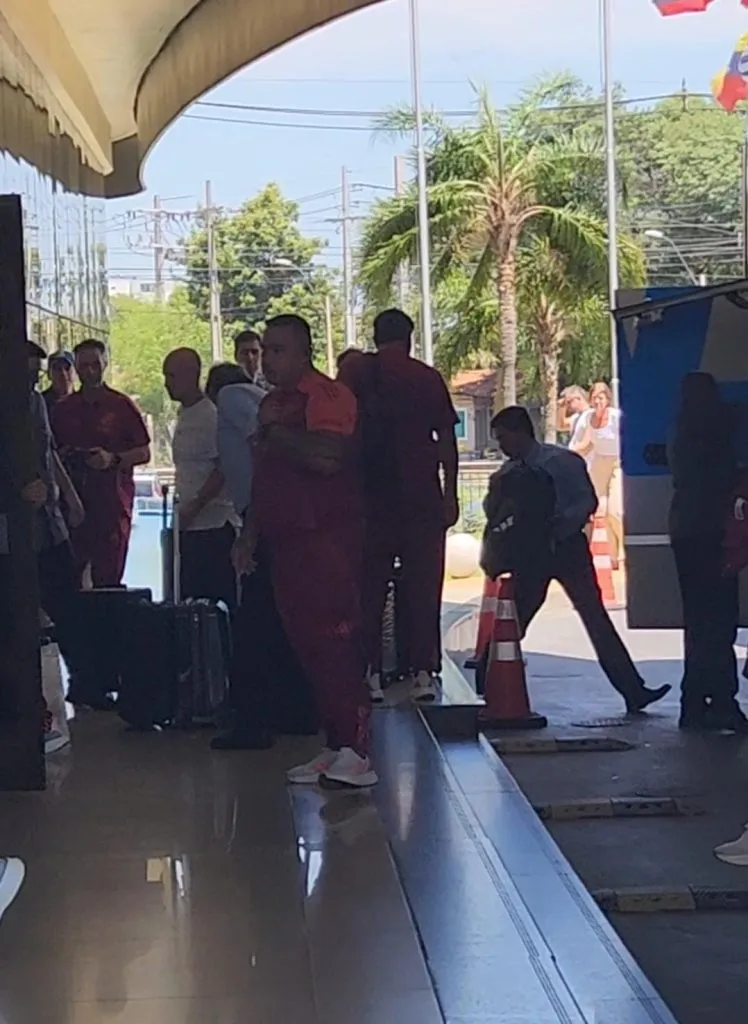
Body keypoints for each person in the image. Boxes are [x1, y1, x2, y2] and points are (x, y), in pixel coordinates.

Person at [233, 314, 374, 787]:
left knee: (335, 639)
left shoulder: (328, 396)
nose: (267, 360)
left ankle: (357, 749)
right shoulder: (272, 403)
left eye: (278, 350)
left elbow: (329, 457)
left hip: (327, 537)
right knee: (306, 644)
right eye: (265, 350)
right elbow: (264, 477)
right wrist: (249, 536)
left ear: (303, 352)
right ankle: (335, 743)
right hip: (284, 537)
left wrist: (278, 436)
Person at [489, 406, 670, 714]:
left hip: (566, 547)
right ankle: (486, 680)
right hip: (535, 552)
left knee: (593, 618)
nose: (501, 446)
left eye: (503, 438)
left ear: (520, 433)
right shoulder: (508, 473)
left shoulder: (562, 462)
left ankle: (633, 690)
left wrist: (558, 526)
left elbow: (587, 501)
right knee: (516, 619)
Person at [338, 308, 459, 704]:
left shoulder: (356, 373)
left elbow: (339, 428)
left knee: (368, 587)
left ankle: (370, 673)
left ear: (375, 337)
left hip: (368, 496)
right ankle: (423, 671)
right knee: (423, 585)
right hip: (421, 495)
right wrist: (450, 494)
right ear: (409, 338)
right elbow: (446, 441)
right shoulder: (427, 378)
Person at [206, 363, 316, 750]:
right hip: (279, 514)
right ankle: (296, 710)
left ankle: (252, 720)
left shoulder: (232, 397)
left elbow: (263, 445)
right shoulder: (265, 397)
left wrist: (250, 529)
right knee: (281, 618)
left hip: (263, 514)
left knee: (254, 623)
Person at [669, 372, 744, 731]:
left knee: (698, 621)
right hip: (714, 533)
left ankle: (695, 702)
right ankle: (723, 700)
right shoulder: (716, 434)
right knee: (720, 620)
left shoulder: (681, 431)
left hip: (685, 531)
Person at [26, 341, 96, 709]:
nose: (34, 381)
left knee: (68, 602)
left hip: (48, 523)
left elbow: (47, 450)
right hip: (17, 529)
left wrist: (68, 494)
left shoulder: (34, 403)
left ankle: (85, 682)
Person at [52, 339, 151, 587]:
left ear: (104, 364)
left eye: (95, 364)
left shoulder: (121, 405)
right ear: (76, 368)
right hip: (73, 505)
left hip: (111, 506)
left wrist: (113, 459)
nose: (89, 371)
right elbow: (49, 453)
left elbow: (144, 452)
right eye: (83, 365)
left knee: (109, 578)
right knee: (70, 578)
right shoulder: (63, 409)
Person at [163, 348, 238, 610]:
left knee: (214, 601)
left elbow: (223, 467)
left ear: (192, 375)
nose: (167, 383)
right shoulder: (184, 415)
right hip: (187, 524)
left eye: (172, 376)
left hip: (212, 525)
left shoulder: (210, 416)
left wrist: (196, 504)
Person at [570, 382, 623, 566]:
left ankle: (623, 549)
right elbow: (583, 443)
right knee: (602, 510)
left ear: (608, 399)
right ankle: (613, 556)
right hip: (599, 464)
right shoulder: (587, 417)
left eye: (601, 397)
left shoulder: (616, 417)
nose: (598, 401)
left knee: (615, 511)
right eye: (594, 398)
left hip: (617, 463)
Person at [41, 350, 75, 417]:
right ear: (49, 374)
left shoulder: (83, 402)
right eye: (57, 368)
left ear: (76, 373)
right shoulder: (40, 402)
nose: (63, 373)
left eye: (67, 368)